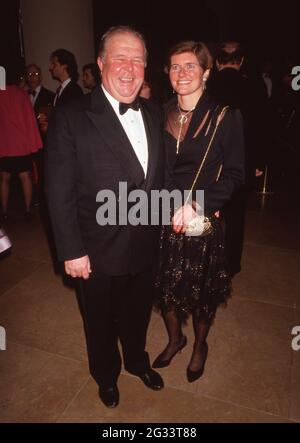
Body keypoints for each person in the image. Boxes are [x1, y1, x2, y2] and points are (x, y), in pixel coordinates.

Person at [45, 26, 165, 408]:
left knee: (137, 315)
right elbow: (58, 192)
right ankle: (106, 374)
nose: (129, 68)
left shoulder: (153, 111)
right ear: (100, 64)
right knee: (98, 322)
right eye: (120, 57)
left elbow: (159, 179)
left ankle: (136, 361)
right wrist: (71, 250)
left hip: (146, 245)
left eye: (138, 59)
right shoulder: (71, 116)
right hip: (94, 251)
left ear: (146, 66)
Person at [153, 41, 244, 382]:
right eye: (175, 66)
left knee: (200, 292)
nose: (182, 73)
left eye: (190, 66)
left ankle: (200, 345)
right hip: (162, 214)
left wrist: (199, 204)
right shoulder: (159, 113)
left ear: (206, 71)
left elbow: (236, 174)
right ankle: (176, 338)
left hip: (202, 217)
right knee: (166, 288)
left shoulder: (225, 116)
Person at [208, 42, 267, 276]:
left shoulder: (206, 85)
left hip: (210, 163)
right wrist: (259, 162)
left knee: (207, 212)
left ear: (217, 61)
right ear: (241, 61)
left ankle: (204, 262)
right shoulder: (254, 86)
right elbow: (264, 126)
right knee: (236, 217)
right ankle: (231, 264)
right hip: (242, 163)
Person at [0, 71, 42, 220]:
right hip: (21, 145)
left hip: (4, 145)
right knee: (25, 177)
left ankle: (4, 212)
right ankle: (27, 211)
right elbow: (30, 120)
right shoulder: (21, 94)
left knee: (4, 179)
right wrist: (34, 144)